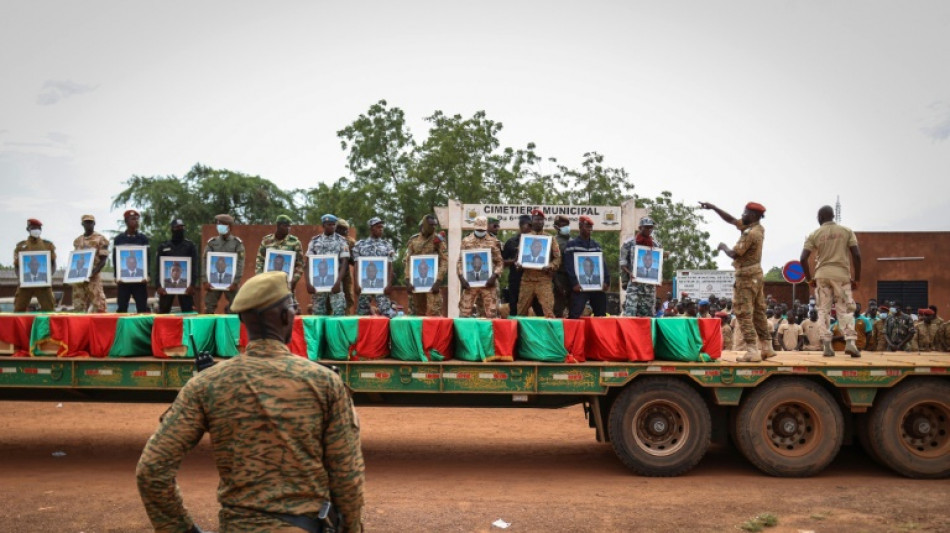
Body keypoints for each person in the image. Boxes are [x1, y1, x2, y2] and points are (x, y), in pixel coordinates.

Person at [136, 272, 365, 532]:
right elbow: (347, 476)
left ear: (242, 319)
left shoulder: (206, 384)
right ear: (285, 316)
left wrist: (180, 529)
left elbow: (152, 469)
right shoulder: (324, 383)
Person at [699, 201, 774, 362]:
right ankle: (767, 347)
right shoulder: (758, 229)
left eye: (745, 213)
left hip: (746, 277)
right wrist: (714, 207)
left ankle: (752, 350)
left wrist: (723, 246)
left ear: (753, 216)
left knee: (742, 312)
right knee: (759, 311)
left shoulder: (750, 234)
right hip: (756, 274)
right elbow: (732, 220)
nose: (742, 215)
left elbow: (734, 253)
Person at [800, 205, 862, 357]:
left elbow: (802, 258)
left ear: (820, 218)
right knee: (845, 309)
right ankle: (850, 342)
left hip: (822, 275)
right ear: (833, 216)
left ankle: (827, 345)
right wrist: (857, 279)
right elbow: (857, 255)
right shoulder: (846, 231)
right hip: (842, 276)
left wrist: (809, 279)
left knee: (823, 311)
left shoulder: (814, 234)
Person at [515, 210, 560, 317]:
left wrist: (550, 266)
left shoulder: (550, 238)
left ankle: (549, 333)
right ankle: (519, 334)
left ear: (544, 222)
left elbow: (558, 259)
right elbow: (518, 258)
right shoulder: (525, 238)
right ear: (532, 221)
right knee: (521, 311)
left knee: (548, 311)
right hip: (527, 280)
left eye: (541, 220)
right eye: (536, 219)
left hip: (543, 280)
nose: (538, 222)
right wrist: (518, 264)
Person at [564, 216, 610, 319]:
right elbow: (569, 266)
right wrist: (574, 283)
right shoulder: (572, 245)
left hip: (596, 286)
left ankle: (599, 334)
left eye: (591, 227)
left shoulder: (596, 245)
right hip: (579, 287)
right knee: (574, 314)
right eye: (587, 227)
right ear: (580, 226)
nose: (589, 229)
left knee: (601, 314)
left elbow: (603, 264)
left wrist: (606, 281)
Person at [306, 214, 351, 316]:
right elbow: (308, 264)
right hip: (317, 283)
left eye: (333, 224)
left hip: (335, 281)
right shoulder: (314, 241)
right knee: (318, 313)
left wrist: (338, 282)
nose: (332, 227)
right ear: (323, 225)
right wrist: (308, 283)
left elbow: (344, 263)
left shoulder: (341, 240)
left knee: (339, 311)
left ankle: (336, 332)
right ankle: (319, 332)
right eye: (329, 224)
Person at [403, 214, 448, 316]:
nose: (433, 227)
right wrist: (407, 279)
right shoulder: (414, 240)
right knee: (416, 313)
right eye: (431, 225)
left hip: (432, 283)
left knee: (434, 312)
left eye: (435, 225)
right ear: (424, 224)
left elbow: (445, 261)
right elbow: (407, 260)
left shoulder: (438, 240)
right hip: (415, 283)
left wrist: (438, 280)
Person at [458, 216, 503, 318]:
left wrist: (494, 276)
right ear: (474, 227)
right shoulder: (466, 241)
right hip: (470, 283)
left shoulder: (493, 241)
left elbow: (499, 262)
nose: (480, 231)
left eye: (482, 230)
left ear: (486, 228)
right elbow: (460, 261)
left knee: (490, 314)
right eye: (478, 229)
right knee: (464, 313)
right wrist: (461, 278)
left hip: (488, 283)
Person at [352, 217, 396, 317]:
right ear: (371, 228)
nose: (381, 229)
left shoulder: (387, 245)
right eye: (378, 227)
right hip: (364, 285)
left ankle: (388, 332)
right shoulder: (360, 245)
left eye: (382, 227)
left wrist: (389, 284)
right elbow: (357, 265)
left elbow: (390, 266)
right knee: (362, 313)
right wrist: (356, 283)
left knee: (387, 313)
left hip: (381, 284)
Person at [202, 214, 244, 314]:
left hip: (231, 282)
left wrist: (236, 282)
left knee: (235, 306)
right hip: (213, 280)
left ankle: (232, 328)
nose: (218, 226)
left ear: (229, 226)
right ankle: (209, 328)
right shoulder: (212, 243)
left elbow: (240, 263)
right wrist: (205, 280)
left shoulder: (237, 243)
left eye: (221, 224)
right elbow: (205, 261)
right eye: (217, 224)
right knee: (209, 306)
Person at [155, 218, 199, 314]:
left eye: (182, 227)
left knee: (188, 312)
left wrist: (192, 285)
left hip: (186, 286)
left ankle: (188, 329)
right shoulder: (163, 246)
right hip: (166, 286)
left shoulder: (190, 246)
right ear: (172, 229)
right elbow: (158, 267)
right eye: (177, 227)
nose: (180, 230)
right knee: (163, 312)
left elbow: (194, 267)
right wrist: (158, 285)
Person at [502, 215, 542, 317]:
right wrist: (513, 261)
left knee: (540, 310)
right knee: (515, 311)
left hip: (534, 281)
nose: (530, 228)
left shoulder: (538, 241)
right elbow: (501, 262)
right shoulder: (511, 242)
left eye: (531, 226)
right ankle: (514, 332)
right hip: (516, 281)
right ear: (521, 226)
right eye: (528, 225)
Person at [13, 218, 57, 312]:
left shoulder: (47, 245)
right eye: (33, 227)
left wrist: (48, 277)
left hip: (43, 283)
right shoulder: (21, 247)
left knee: (49, 309)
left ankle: (48, 327)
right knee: (18, 308)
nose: (36, 230)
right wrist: (20, 278)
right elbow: (17, 266)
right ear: (28, 229)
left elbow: (53, 264)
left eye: (38, 227)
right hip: (25, 283)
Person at [621, 217, 661, 317]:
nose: (649, 230)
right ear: (640, 228)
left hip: (649, 288)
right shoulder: (629, 244)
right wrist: (626, 279)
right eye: (646, 228)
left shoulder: (655, 245)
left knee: (648, 317)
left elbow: (658, 264)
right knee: (630, 314)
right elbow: (622, 263)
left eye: (651, 228)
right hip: (634, 286)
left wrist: (659, 278)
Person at [256, 214, 305, 294]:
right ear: (278, 225)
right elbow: (259, 261)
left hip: (286, 285)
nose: (288, 228)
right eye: (285, 226)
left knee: (289, 306)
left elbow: (300, 264)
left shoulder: (295, 242)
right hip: (268, 285)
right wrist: (260, 278)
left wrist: (293, 280)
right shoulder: (266, 241)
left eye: (289, 226)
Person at [113, 210, 150, 313]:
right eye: (133, 219)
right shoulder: (119, 239)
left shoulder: (143, 239)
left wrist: (147, 274)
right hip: (124, 280)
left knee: (142, 308)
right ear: (126, 221)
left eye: (137, 219)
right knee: (122, 308)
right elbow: (116, 258)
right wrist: (117, 276)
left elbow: (147, 257)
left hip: (140, 281)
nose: (136, 221)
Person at [552, 214, 572, 318]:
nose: (566, 227)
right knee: (558, 310)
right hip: (559, 277)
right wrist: (556, 282)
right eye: (563, 225)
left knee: (573, 310)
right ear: (556, 227)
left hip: (572, 279)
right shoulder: (553, 242)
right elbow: (551, 263)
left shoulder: (573, 241)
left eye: (567, 225)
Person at [335, 218, 356, 314]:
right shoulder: (329, 240)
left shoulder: (350, 242)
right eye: (341, 229)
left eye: (346, 229)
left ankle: (346, 315)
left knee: (348, 298)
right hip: (330, 273)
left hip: (345, 275)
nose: (344, 232)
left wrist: (347, 256)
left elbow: (355, 261)